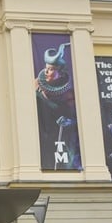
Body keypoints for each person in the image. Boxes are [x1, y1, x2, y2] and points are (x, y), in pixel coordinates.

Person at [33, 41, 80, 170]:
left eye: (52, 69)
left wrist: (69, 122)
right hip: (43, 134)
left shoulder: (68, 92)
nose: (47, 71)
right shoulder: (36, 84)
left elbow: (76, 116)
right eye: (47, 68)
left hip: (61, 136)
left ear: (60, 71)